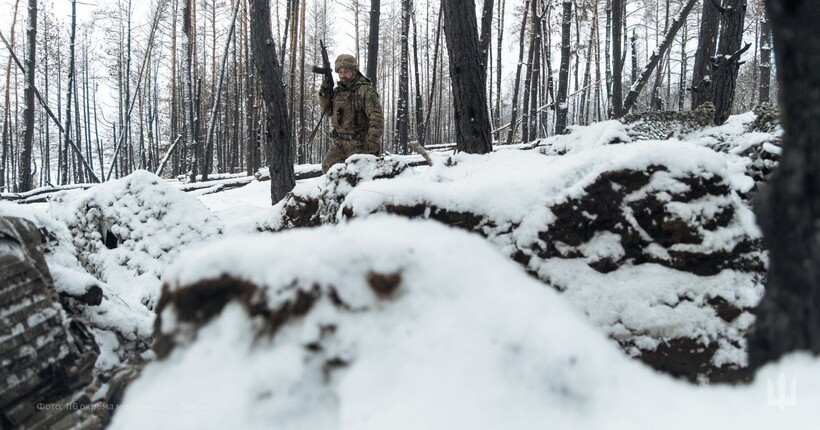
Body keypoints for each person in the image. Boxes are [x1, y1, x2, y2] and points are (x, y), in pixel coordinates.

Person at [319, 54, 384, 173]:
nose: (343, 75)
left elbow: (376, 116)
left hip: (360, 143)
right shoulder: (337, 91)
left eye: (346, 71)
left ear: (354, 71)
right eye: (340, 72)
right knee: (328, 169)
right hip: (339, 142)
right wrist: (324, 94)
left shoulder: (365, 90)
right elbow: (328, 112)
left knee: (357, 176)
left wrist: (373, 139)